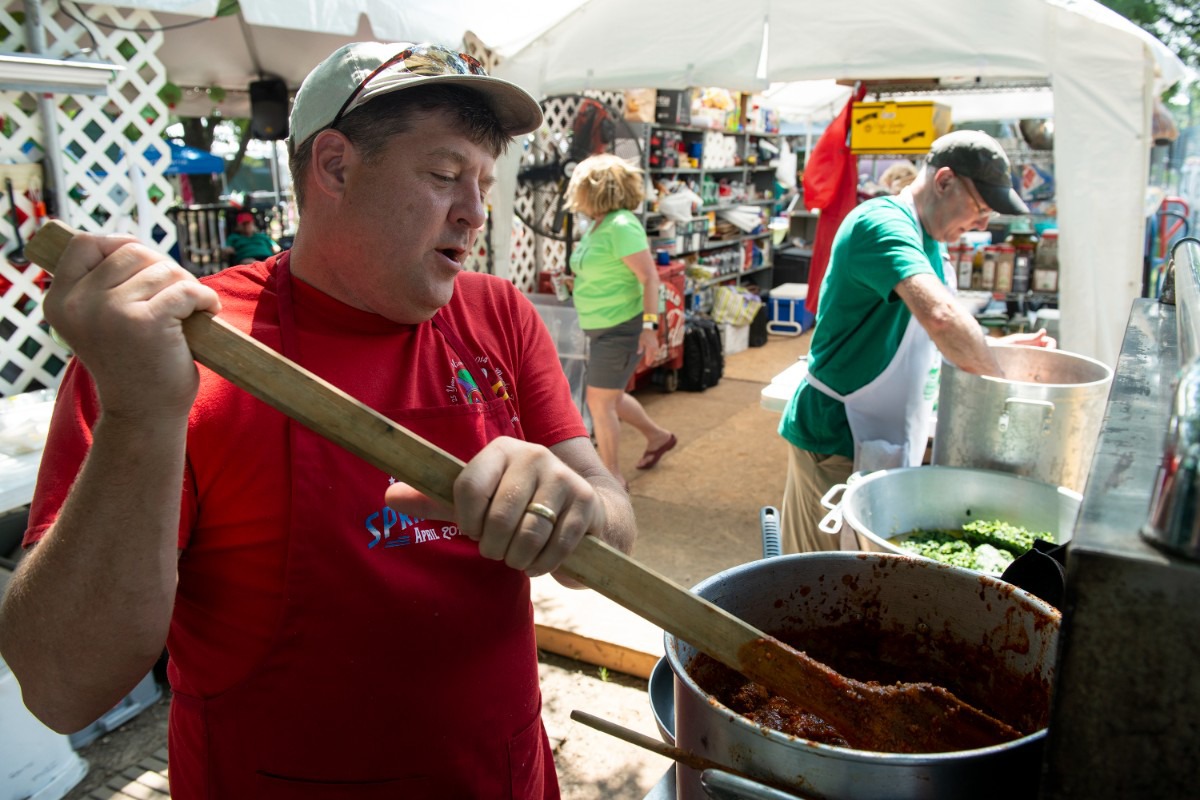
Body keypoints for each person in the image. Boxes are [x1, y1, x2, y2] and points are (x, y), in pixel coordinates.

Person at [0, 42, 636, 799]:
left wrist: (577, 507)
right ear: (333, 166)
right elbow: (61, 686)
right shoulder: (175, 349)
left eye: (483, 183)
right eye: (443, 175)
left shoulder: (497, 314)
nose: (473, 210)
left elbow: (615, 522)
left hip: (498, 774)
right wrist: (142, 414)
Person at [777, 130, 1054, 554]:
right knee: (816, 581)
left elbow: (921, 338)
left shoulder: (933, 239)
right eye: (981, 208)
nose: (983, 224)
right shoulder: (881, 224)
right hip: (835, 437)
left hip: (882, 433)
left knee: (861, 577)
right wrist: (1001, 386)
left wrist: (1002, 347)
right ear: (943, 181)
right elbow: (941, 319)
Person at [564, 153, 676, 489]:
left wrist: (649, 327)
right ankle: (658, 437)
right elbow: (607, 269)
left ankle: (611, 478)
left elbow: (650, 278)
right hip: (600, 326)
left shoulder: (623, 225)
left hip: (620, 327)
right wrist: (577, 282)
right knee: (609, 397)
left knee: (599, 401)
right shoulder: (599, 224)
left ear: (594, 191)